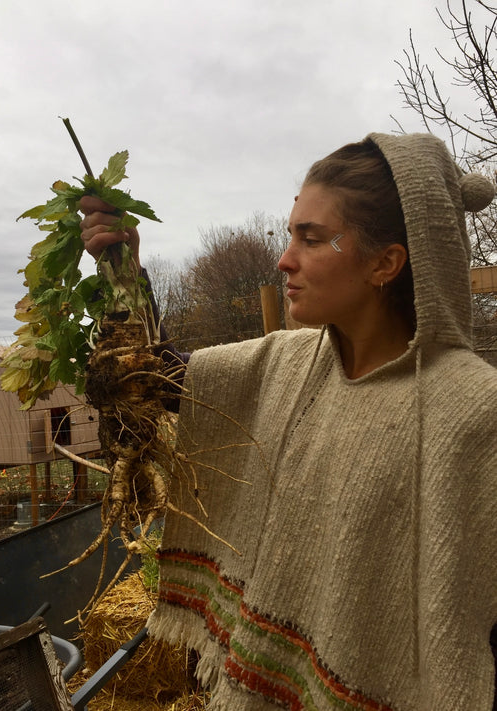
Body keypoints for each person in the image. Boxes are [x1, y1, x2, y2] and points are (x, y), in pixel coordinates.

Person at [80, 132, 497, 711]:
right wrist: (122, 266)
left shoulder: (472, 412)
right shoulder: (288, 364)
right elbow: (165, 376)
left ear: (385, 262)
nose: (284, 259)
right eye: (290, 233)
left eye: (312, 238)